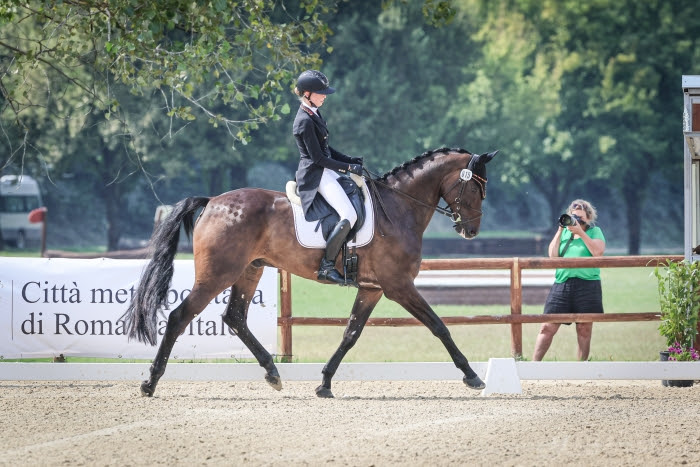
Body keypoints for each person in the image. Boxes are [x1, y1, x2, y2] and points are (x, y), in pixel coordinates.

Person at [292, 70, 363, 286]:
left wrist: (349, 159)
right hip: (315, 175)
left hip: (325, 169)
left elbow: (326, 148)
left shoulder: (313, 112)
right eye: (320, 93)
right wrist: (347, 167)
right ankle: (327, 266)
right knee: (349, 214)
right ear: (307, 93)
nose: (324, 96)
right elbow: (319, 158)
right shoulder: (304, 120)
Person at [532, 199, 606, 361]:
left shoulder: (595, 232)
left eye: (580, 218)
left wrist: (580, 232)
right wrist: (560, 230)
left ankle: (582, 367)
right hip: (562, 284)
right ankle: (533, 366)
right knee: (546, 327)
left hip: (587, 285)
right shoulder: (565, 233)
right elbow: (552, 256)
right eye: (573, 217)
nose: (576, 221)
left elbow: (598, 252)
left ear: (588, 218)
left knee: (584, 329)